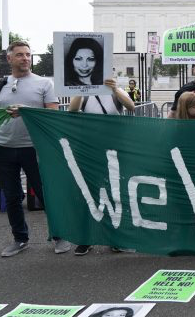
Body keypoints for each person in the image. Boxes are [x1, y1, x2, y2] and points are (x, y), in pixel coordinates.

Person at [0, 41, 72, 257]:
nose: (25, 58)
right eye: (20, 55)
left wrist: (28, 110)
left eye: (28, 54)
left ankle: (59, 236)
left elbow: (53, 115)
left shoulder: (43, 84)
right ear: (9, 58)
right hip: (3, 147)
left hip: (34, 148)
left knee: (47, 194)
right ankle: (20, 239)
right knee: (11, 197)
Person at [68, 78, 135, 256]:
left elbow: (131, 106)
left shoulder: (116, 92)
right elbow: (72, 109)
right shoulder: (86, 93)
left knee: (116, 193)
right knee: (89, 193)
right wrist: (82, 88)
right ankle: (86, 238)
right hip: (90, 149)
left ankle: (116, 238)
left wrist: (115, 90)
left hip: (114, 149)